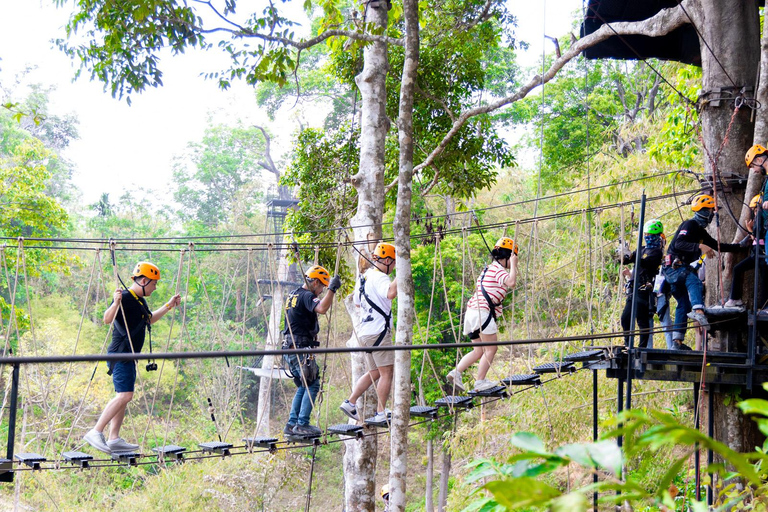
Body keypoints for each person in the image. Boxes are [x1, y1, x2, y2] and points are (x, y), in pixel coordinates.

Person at [83, 262, 181, 453]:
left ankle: (114, 438)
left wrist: (169, 305)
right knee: (125, 395)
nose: (155, 287)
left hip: (129, 356)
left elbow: (149, 319)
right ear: (144, 281)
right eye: (154, 284)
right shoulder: (126, 297)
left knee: (125, 395)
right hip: (121, 354)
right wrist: (116, 301)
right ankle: (96, 431)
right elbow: (107, 319)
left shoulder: (139, 301)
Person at [662, 194, 743, 349]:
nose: (712, 215)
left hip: (676, 270)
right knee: (694, 281)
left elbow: (718, 245)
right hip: (674, 268)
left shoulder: (700, 232)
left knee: (683, 305)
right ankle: (699, 311)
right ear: (704, 211)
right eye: (711, 211)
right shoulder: (690, 224)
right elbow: (679, 243)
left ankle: (677, 342)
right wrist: (699, 247)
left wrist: (741, 246)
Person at [445, 237, 518, 392]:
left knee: (478, 351)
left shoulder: (489, 268)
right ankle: (480, 382)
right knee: (491, 349)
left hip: (472, 313)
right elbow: (512, 282)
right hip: (482, 313)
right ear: (507, 257)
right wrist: (515, 265)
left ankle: (456, 372)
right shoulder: (498, 270)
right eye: (511, 259)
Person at [339, 242, 397, 423]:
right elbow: (390, 293)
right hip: (378, 332)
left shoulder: (363, 278)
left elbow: (357, 303)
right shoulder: (380, 278)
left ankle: (351, 401)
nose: (394, 267)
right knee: (387, 372)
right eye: (394, 263)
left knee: (374, 372)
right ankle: (381, 412)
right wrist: (402, 273)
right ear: (387, 260)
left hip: (364, 333)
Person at [282, 265, 340, 437]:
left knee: (303, 385)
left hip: (290, 347)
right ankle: (301, 424)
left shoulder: (294, 293)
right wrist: (332, 289)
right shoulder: (307, 295)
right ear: (315, 282)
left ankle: (292, 424)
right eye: (322, 286)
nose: (322, 290)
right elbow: (321, 308)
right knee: (312, 384)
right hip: (299, 348)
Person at [620, 219, 664, 349]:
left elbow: (646, 263)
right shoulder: (642, 248)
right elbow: (628, 260)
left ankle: (642, 347)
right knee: (625, 317)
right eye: (646, 235)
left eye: (650, 236)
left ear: (657, 236)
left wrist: (634, 257)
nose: (648, 238)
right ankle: (628, 344)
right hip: (633, 288)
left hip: (644, 288)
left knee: (642, 320)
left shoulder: (657, 252)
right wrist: (624, 254)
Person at [723, 194, 767, 308]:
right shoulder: (759, 218)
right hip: (756, 253)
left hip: (762, 253)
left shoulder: (763, 218)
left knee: (764, 280)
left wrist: (750, 230)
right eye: (754, 210)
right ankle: (735, 298)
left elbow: (759, 236)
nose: (755, 212)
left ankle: (764, 306)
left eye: (756, 209)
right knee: (738, 269)